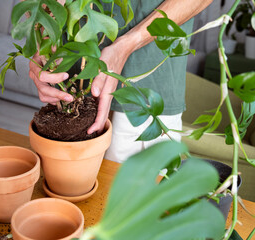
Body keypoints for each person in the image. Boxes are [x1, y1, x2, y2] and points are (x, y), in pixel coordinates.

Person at [29, 0, 213, 163]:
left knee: (132, 195)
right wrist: (43, 37)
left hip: (144, 83)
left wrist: (128, 44)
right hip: (69, 71)